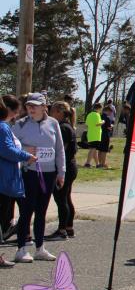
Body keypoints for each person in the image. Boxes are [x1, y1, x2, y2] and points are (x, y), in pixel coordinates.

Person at [12, 93, 65, 262]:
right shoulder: (20, 124)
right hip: (29, 173)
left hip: (49, 174)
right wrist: (24, 149)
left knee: (42, 211)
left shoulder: (53, 123)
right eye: (29, 105)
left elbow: (59, 149)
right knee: (26, 211)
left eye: (35, 105)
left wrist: (61, 172)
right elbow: (9, 146)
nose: (31, 108)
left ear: (44, 107)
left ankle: (40, 248)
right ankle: (21, 249)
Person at [0, 95, 34, 265]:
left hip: (7, 179)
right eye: (15, 111)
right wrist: (26, 156)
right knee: (2, 218)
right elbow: (7, 150)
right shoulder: (2, 127)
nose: (16, 115)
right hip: (4, 179)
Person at [47, 101, 78, 240]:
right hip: (70, 166)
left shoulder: (63, 128)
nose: (50, 114)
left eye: (52, 111)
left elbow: (61, 151)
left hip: (66, 167)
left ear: (59, 112)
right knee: (66, 197)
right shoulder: (66, 126)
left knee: (61, 199)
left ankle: (62, 230)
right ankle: (69, 227)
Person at [83, 102, 102, 167]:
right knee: (93, 149)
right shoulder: (97, 114)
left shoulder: (89, 114)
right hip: (96, 134)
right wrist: (103, 122)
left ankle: (97, 164)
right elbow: (98, 124)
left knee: (94, 149)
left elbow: (87, 124)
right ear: (99, 108)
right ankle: (87, 163)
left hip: (90, 134)